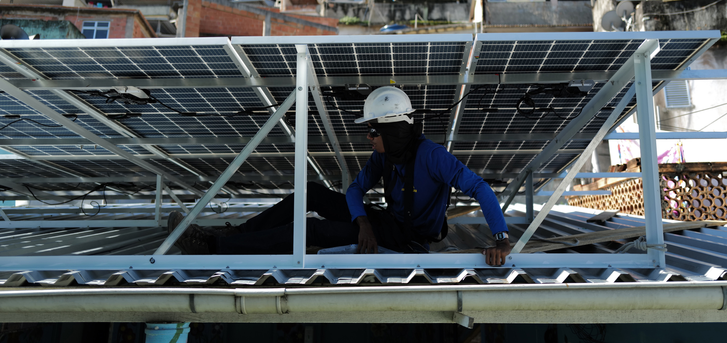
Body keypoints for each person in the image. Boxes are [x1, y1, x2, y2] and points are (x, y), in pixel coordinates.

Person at [169, 86, 512, 266]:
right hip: (383, 224)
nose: (369, 137)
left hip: (407, 240)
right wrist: (362, 223)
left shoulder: (432, 157)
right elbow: (355, 190)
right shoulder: (385, 157)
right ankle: (235, 233)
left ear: (393, 130)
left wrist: (501, 239)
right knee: (312, 193)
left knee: (311, 230)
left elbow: (480, 188)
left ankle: (215, 248)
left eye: (373, 130)